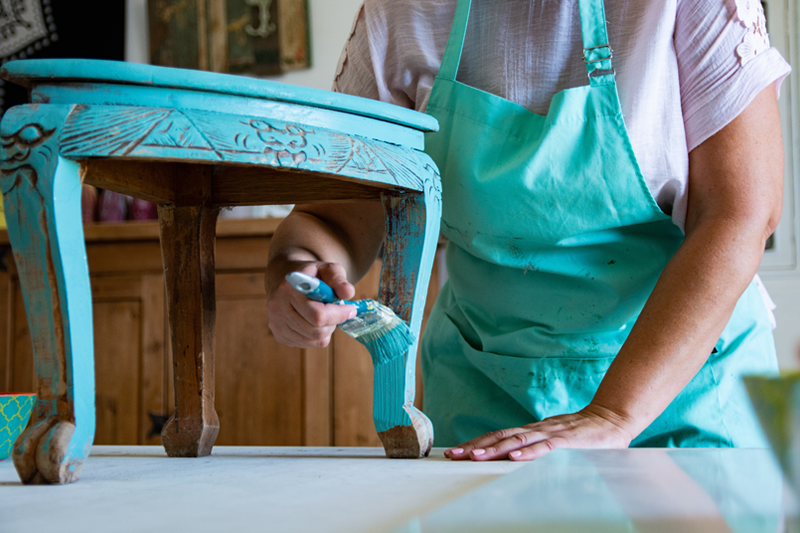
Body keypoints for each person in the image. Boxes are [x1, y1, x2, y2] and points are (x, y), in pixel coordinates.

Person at [265, 0, 791, 461]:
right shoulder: (404, 13)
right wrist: (299, 272)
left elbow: (741, 212)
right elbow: (329, 219)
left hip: (684, 387)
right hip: (487, 391)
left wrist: (613, 413)